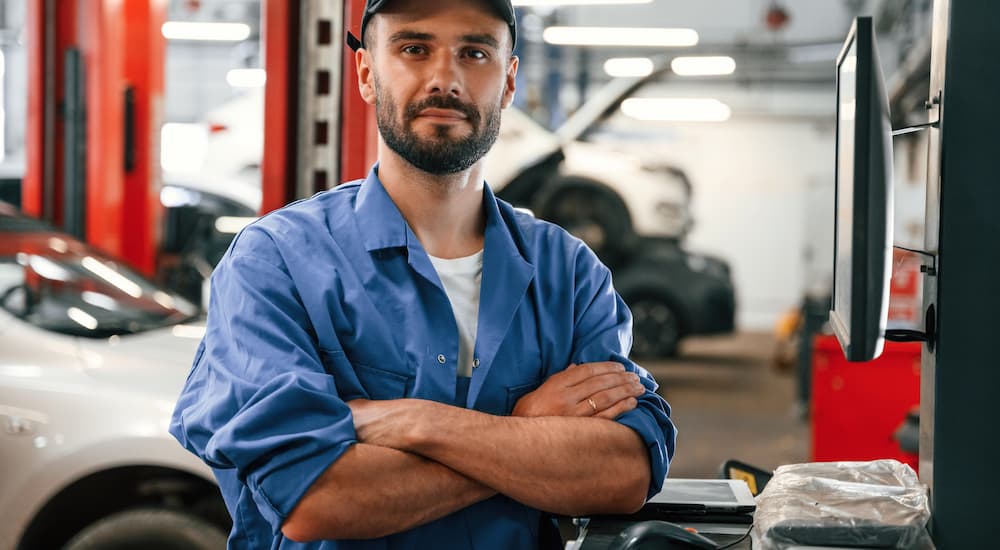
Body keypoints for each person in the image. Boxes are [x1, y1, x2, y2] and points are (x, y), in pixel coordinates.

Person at [170, 0, 676, 548]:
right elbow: (313, 497)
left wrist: (418, 423)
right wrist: (527, 434)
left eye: (474, 53)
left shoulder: (568, 273)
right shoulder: (276, 262)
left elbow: (623, 472)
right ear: (366, 73)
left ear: (508, 81)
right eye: (414, 48)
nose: (444, 79)